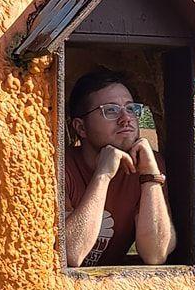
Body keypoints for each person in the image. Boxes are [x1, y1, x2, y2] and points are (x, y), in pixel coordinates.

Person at [62, 68, 175, 266]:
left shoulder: (149, 165)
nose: (126, 118)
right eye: (111, 110)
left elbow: (156, 254)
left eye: (130, 108)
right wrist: (102, 176)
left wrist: (150, 177)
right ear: (81, 127)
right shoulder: (62, 166)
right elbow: (71, 253)